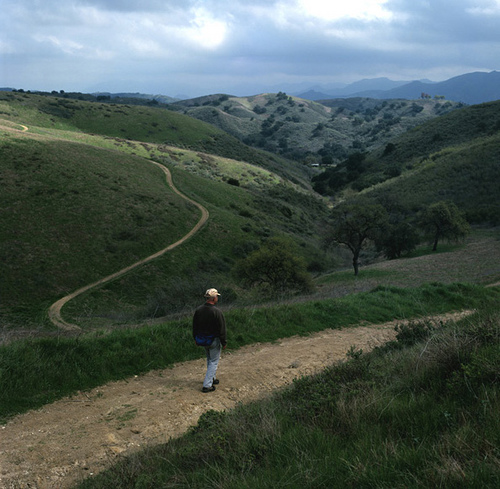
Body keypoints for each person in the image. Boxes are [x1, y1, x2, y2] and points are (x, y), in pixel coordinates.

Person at [193, 288, 227, 393]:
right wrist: (224, 341)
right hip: (214, 340)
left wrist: (195, 338)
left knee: (209, 359)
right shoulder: (217, 312)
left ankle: (212, 378)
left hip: (203, 339)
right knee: (213, 361)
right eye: (216, 296)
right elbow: (222, 328)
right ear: (214, 298)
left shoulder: (199, 310)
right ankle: (207, 385)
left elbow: (195, 326)